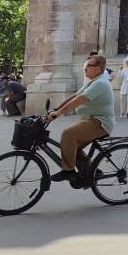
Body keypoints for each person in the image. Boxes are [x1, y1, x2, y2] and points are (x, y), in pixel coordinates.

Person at [47, 54, 115, 184]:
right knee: (71, 145)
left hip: (100, 123)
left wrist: (59, 113)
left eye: (89, 66)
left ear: (98, 69)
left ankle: (68, 171)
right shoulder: (92, 82)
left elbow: (80, 100)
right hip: (90, 120)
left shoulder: (100, 83)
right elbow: (75, 96)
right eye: (85, 65)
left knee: (68, 134)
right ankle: (91, 172)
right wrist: (56, 109)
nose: (85, 68)